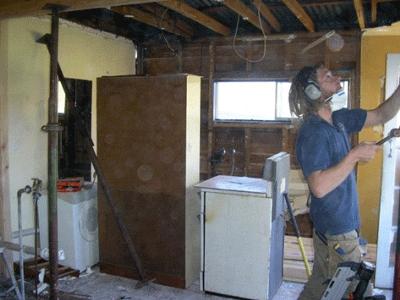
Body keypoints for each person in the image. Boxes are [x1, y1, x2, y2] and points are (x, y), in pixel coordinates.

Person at [289, 64, 400, 300]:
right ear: (312, 91)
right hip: (337, 229)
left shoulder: (339, 120)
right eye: (328, 76)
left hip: (336, 225)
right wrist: (354, 156)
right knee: (360, 290)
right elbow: (318, 187)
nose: (336, 77)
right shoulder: (313, 132)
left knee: (320, 283)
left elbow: (382, 114)